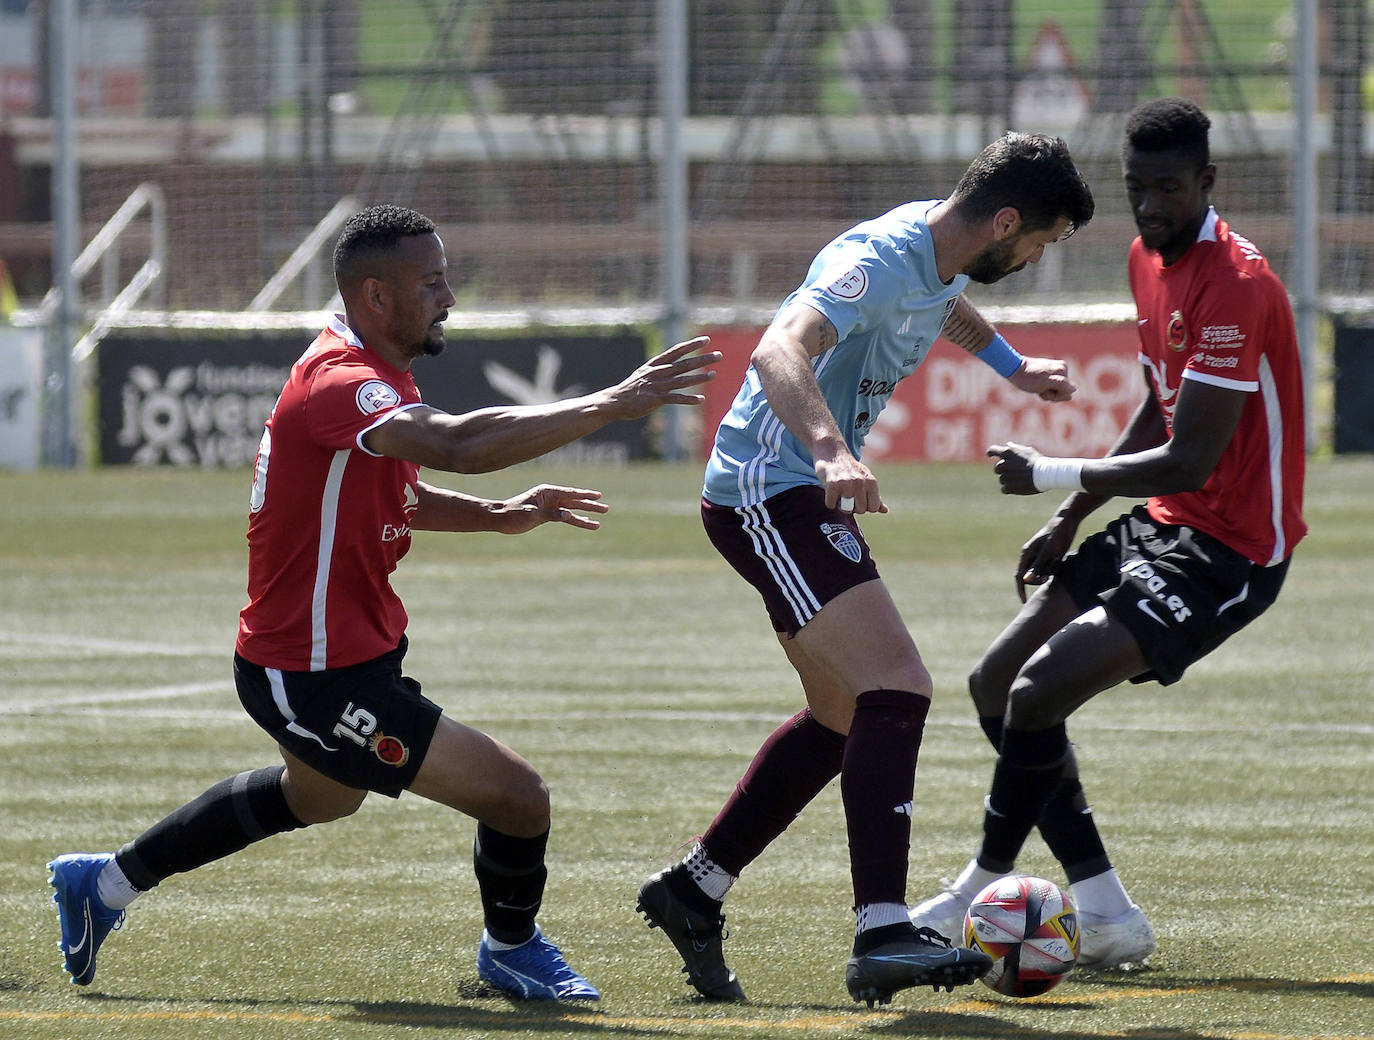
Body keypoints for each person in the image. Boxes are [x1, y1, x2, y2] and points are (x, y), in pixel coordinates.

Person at [47, 204, 719, 1000]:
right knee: (517, 797)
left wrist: (498, 516)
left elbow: (393, 491)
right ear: (375, 295)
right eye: (431, 282)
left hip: (342, 653)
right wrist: (611, 403)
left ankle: (103, 886)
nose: (450, 296)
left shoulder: (369, 369)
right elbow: (458, 445)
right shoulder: (343, 382)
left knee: (319, 799)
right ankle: (511, 949)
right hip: (315, 672)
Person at [635, 132, 1097, 1007]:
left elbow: (946, 303)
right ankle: (882, 930)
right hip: (767, 492)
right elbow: (779, 350)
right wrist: (830, 449)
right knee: (899, 687)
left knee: (843, 714)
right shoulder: (876, 259)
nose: (1036, 258)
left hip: (794, 495)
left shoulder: (943, 256)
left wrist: (1013, 366)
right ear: (1005, 220)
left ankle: (694, 889)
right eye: (1041, 241)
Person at [909, 98, 1307, 971]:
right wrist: (1071, 515)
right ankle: (1105, 911)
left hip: (1232, 549)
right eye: (1137, 188)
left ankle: (980, 883)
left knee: (1039, 691)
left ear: (1207, 181)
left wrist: (1055, 474)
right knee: (996, 682)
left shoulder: (1239, 286)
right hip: (1162, 524)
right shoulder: (1144, 258)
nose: (1151, 205)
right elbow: (1162, 408)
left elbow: (1192, 459)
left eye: (1169, 187)